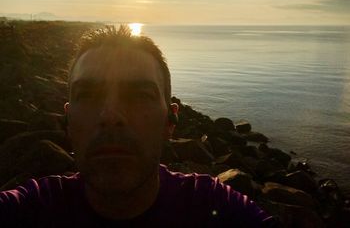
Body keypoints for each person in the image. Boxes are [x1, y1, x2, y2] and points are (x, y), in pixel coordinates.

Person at [0, 25, 278, 227]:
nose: (111, 115)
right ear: (68, 121)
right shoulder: (33, 208)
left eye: (139, 95)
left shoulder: (213, 206)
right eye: (88, 95)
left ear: (170, 121)